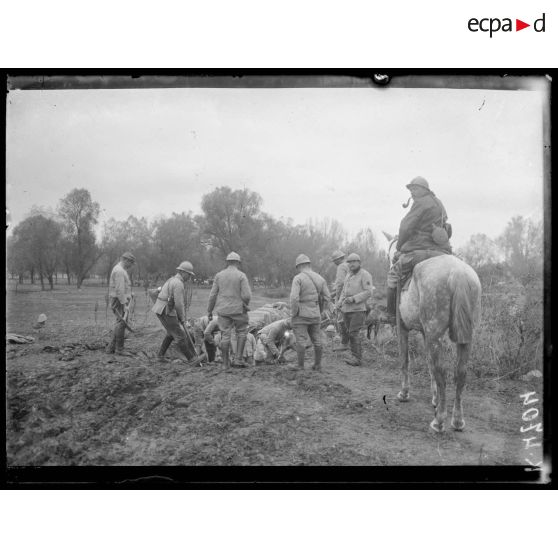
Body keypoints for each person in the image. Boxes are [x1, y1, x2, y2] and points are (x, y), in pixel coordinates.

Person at [386, 176, 452, 323]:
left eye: (414, 189)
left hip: (420, 250)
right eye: (410, 190)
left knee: (393, 276)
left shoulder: (421, 203)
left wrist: (398, 248)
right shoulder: (439, 204)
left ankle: (390, 315)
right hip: (441, 251)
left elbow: (405, 226)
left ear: (424, 190)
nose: (412, 193)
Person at [207, 251, 252, 370]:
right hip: (239, 310)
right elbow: (247, 296)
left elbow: (212, 295)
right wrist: (245, 304)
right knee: (242, 332)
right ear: (238, 262)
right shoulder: (241, 275)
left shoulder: (219, 275)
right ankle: (238, 359)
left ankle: (225, 364)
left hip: (223, 311)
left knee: (225, 335)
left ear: (227, 262)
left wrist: (209, 310)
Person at [288, 254, 331, 373]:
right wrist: (321, 311)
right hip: (315, 314)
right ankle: (317, 365)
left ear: (299, 265)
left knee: (301, 340)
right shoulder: (320, 278)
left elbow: (294, 298)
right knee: (317, 339)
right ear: (309, 264)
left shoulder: (298, 278)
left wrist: (294, 313)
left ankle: (300, 366)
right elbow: (327, 297)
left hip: (301, 314)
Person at [151, 261, 197, 362]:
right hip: (166, 310)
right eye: (189, 274)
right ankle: (192, 359)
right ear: (183, 272)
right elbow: (179, 304)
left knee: (171, 333)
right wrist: (182, 318)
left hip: (160, 309)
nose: (189, 277)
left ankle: (160, 356)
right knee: (180, 336)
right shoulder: (178, 283)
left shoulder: (171, 279)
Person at [337, 253, 374, 366]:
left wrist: (354, 299)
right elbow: (344, 291)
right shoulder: (348, 275)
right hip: (346, 310)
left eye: (354, 262)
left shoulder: (365, 275)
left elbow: (369, 292)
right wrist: (339, 303)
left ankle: (357, 359)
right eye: (349, 262)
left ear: (359, 262)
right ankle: (355, 355)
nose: (351, 264)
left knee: (353, 333)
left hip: (358, 309)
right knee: (350, 333)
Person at [106, 251, 136, 356]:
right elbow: (119, 290)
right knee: (121, 323)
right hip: (118, 300)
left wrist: (129, 293)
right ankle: (119, 349)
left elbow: (122, 287)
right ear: (126, 260)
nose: (131, 266)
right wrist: (124, 305)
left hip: (120, 299)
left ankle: (110, 348)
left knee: (120, 323)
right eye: (131, 263)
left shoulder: (121, 270)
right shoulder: (119, 271)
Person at [331, 249, 350, 351]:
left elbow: (340, 283)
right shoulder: (349, 265)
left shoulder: (341, 267)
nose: (334, 263)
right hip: (351, 295)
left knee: (341, 320)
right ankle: (350, 342)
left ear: (338, 259)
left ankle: (344, 343)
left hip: (343, 296)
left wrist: (337, 299)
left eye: (334, 261)